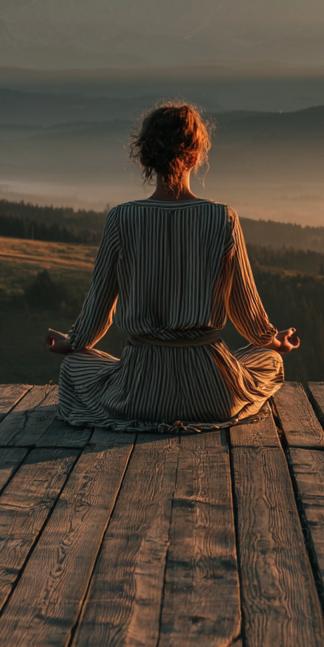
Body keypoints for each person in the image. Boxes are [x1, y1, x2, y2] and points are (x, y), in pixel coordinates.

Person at [45, 101, 300, 432]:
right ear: (195, 156)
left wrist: (72, 342)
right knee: (269, 360)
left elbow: (99, 308)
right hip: (213, 394)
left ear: (145, 157)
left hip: (138, 395)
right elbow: (246, 312)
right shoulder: (223, 218)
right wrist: (274, 341)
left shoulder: (121, 218)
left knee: (73, 367)